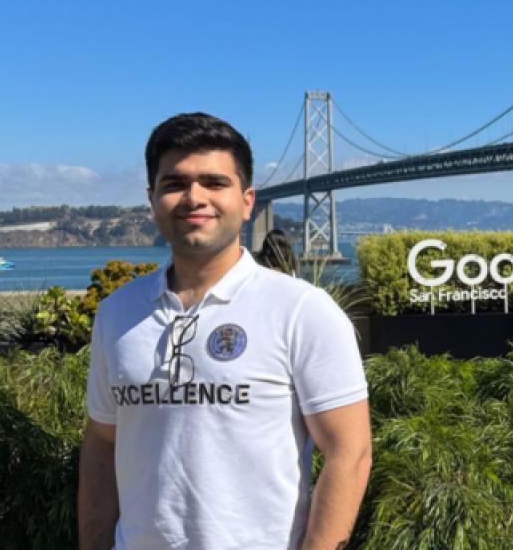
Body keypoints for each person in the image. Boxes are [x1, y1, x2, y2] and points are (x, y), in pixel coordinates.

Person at [78, 112, 371, 550]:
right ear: (151, 198)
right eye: (174, 183)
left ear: (247, 200)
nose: (194, 197)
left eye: (215, 183)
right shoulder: (117, 313)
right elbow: (101, 444)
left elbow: (350, 453)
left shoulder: (302, 310)